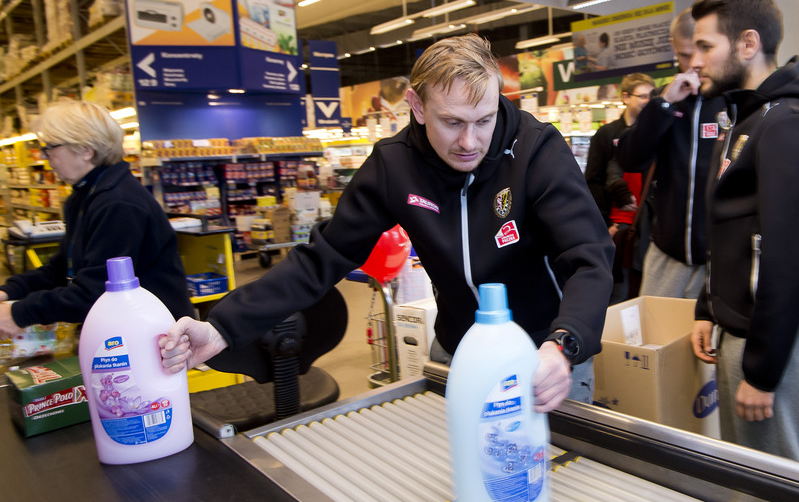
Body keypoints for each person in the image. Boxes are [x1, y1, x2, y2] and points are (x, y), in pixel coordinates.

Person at [160, 34, 615, 413]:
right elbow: (322, 258)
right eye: (452, 122)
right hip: (459, 351)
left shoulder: (538, 150)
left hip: (545, 355)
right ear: (416, 106)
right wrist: (222, 327)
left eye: (485, 120)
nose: (470, 141)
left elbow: (589, 258)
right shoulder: (394, 167)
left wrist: (564, 344)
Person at [686, 0, 799, 463]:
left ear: (748, 44)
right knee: (750, 468)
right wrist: (707, 306)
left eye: (705, 46)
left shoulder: (791, 125)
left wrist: (763, 369)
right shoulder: (745, 119)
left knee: (778, 479)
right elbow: (732, 229)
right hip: (743, 326)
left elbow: (789, 257)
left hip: (773, 335)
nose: (695, 61)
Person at [0, 101, 193, 336]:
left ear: (85, 150)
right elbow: (62, 268)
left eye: (50, 147)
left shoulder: (118, 204)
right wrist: (10, 291)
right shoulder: (86, 195)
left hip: (152, 336)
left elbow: (95, 293)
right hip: (122, 326)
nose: (46, 157)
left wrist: (18, 313)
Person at [617, 8, 727, 299]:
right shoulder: (665, 102)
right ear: (672, 47)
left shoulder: (731, 102)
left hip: (721, 259)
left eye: (701, 53)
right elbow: (630, 159)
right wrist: (664, 104)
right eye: (683, 55)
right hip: (667, 256)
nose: (693, 65)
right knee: (656, 341)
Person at [584, 72, 655, 303]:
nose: (647, 101)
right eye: (642, 96)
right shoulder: (606, 135)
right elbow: (593, 182)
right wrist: (605, 225)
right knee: (617, 292)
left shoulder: (658, 133)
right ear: (625, 97)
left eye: (651, 96)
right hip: (616, 228)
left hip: (647, 229)